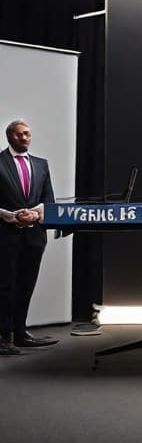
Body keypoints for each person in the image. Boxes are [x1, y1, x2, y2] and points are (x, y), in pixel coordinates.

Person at [0, 119, 59, 355]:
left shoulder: (41, 165)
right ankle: (4, 337)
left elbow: (49, 201)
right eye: (19, 135)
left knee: (26, 285)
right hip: (5, 234)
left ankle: (20, 333)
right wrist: (10, 216)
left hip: (34, 236)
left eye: (27, 134)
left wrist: (34, 214)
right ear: (9, 136)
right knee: (5, 287)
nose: (24, 138)